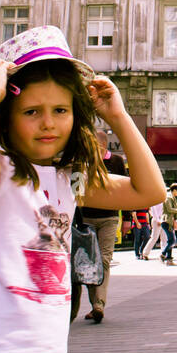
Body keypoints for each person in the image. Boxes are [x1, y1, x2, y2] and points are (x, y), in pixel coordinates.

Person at [0, 24, 164, 353]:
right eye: (31, 112)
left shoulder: (66, 180)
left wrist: (118, 116)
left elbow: (149, 191)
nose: (48, 123)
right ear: (6, 116)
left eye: (60, 110)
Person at [70, 129, 127, 322]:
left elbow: (125, 190)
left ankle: (98, 304)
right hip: (85, 219)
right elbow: (74, 194)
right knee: (87, 263)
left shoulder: (116, 162)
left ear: (101, 145)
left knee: (103, 260)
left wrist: (127, 217)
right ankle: (96, 304)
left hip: (109, 218)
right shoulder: (80, 163)